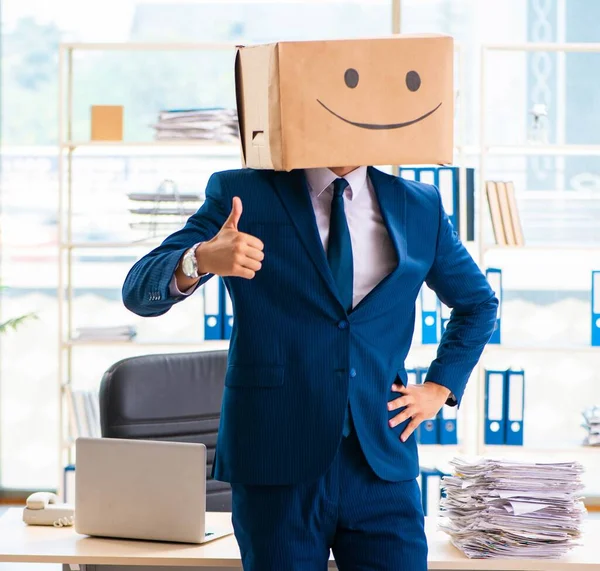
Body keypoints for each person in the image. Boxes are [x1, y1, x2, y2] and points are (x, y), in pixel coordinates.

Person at [122, 163, 498, 570]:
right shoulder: (242, 191)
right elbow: (139, 291)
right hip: (276, 460)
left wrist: (440, 387)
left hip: (380, 460)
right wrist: (198, 259)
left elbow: (477, 303)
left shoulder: (419, 203)